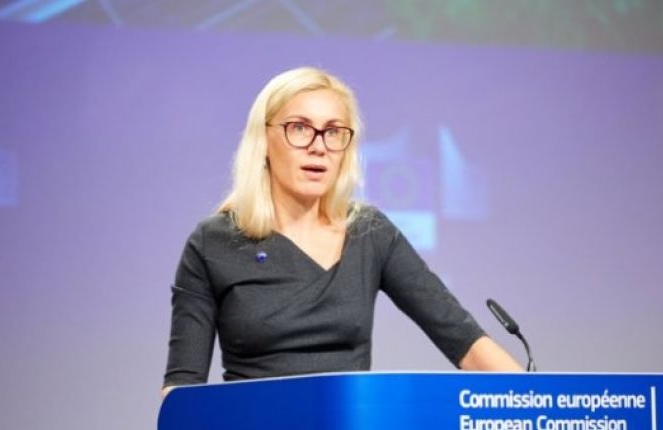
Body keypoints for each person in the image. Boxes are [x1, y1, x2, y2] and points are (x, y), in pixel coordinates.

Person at [162, 67, 521, 396]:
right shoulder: (213, 242)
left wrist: (533, 400)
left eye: (333, 132)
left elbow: (464, 341)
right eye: (299, 128)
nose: (319, 146)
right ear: (263, 140)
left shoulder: (369, 233)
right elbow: (180, 391)